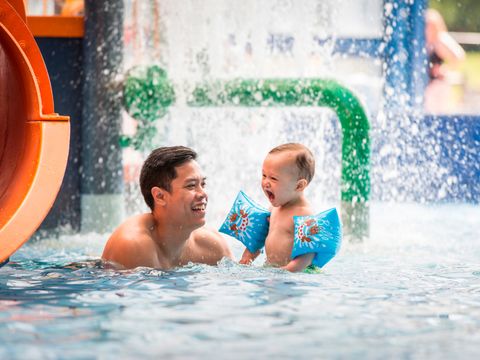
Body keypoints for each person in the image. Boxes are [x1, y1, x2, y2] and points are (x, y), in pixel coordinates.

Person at [102, 146, 233, 270]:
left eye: (203, 184)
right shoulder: (133, 245)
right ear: (160, 196)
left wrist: (248, 258)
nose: (203, 193)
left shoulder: (213, 246)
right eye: (191, 186)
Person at [239, 143, 316, 272]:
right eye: (264, 175)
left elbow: (308, 255)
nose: (265, 183)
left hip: (296, 275)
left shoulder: (304, 215)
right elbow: (260, 237)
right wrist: (248, 257)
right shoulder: (274, 209)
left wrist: (286, 271)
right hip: (273, 271)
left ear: (299, 186)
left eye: (273, 178)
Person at [425, 8, 465, 113]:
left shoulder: (440, 40)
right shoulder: (427, 42)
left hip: (438, 85)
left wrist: (444, 69)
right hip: (429, 85)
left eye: (430, 25)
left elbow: (459, 56)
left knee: (438, 113)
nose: (427, 29)